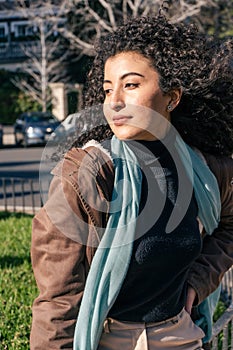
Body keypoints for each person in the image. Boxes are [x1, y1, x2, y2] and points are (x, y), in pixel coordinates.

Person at [30, 14, 233, 350]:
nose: (115, 101)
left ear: (173, 97)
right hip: (109, 339)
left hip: (183, 336)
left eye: (131, 84)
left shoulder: (204, 171)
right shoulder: (88, 175)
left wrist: (197, 282)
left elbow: (229, 226)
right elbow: (57, 301)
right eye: (109, 89)